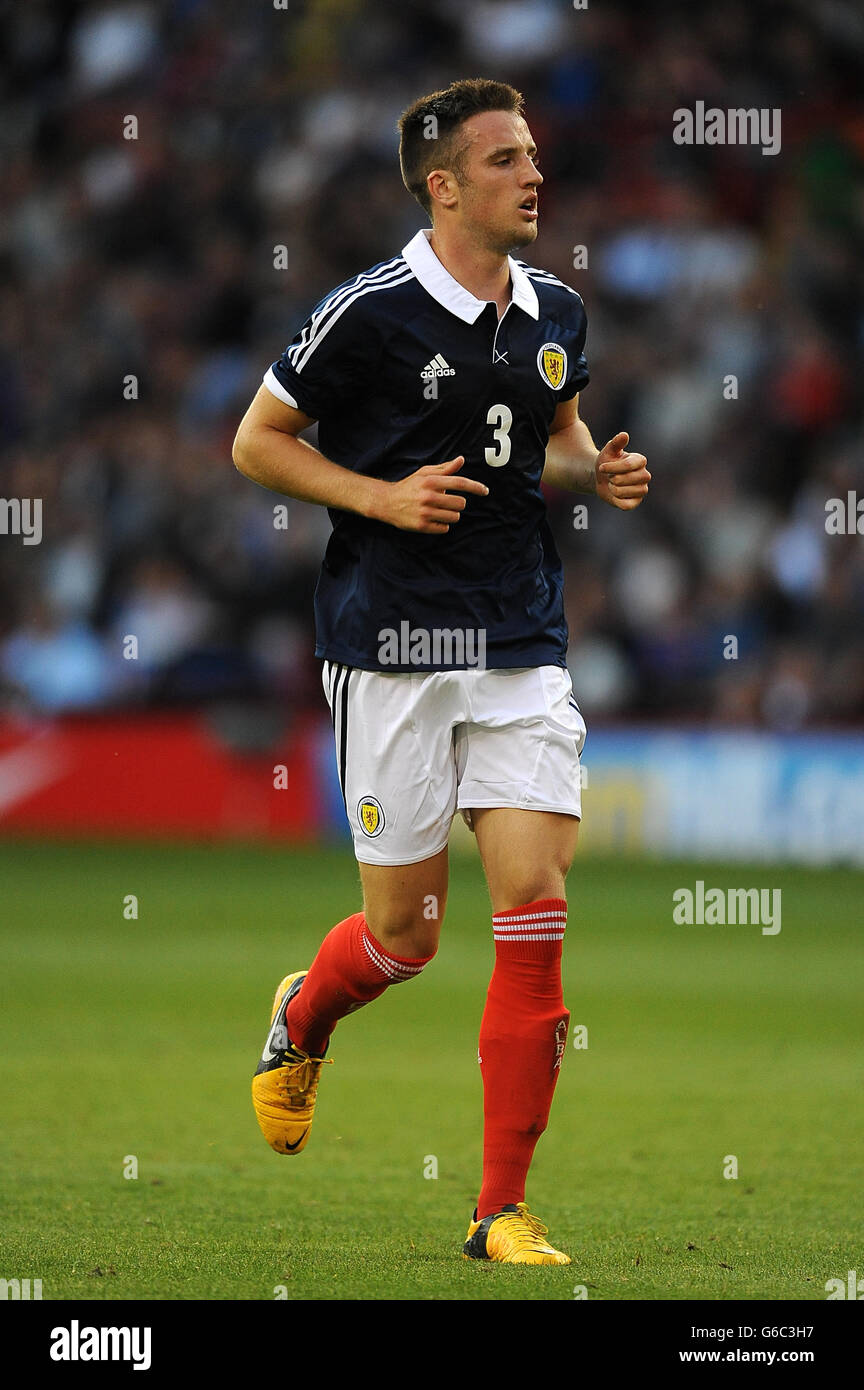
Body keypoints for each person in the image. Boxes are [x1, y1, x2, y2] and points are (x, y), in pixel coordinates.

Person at [232, 77, 650, 1265]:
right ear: (445, 184)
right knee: (406, 935)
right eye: (508, 159)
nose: (535, 175)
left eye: (535, 155)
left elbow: (555, 446)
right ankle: (303, 1013)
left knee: (534, 901)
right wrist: (378, 495)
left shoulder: (559, 307)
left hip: (519, 641)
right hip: (392, 647)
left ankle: (498, 1209)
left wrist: (595, 475)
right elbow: (255, 439)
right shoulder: (365, 313)